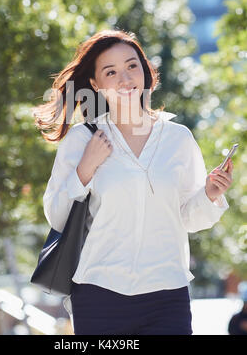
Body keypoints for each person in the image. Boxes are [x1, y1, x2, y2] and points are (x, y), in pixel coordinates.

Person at [32, 29, 233, 335]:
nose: (125, 79)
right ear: (96, 84)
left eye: (131, 66)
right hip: (100, 294)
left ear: (145, 71)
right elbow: (57, 217)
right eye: (111, 72)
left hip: (168, 293)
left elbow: (189, 219)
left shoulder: (178, 139)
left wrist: (209, 193)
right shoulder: (82, 139)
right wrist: (86, 168)